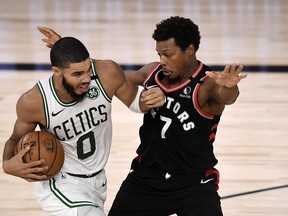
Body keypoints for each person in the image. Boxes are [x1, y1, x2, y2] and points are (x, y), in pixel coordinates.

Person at [36, 16, 247, 216]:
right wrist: (66, 51)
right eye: (159, 55)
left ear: (189, 50)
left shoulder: (207, 84)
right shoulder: (152, 73)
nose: (162, 60)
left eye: (168, 54)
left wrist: (230, 88)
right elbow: (112, 76)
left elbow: (226, 97)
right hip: (147, 178)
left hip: (194, 183)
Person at [2, 36, 165, 216]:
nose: (87, 78)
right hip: (61, 185)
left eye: (88, 70)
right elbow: (15, 139)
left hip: (98, 181)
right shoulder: (35, 101)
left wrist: (150, 97)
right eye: (77, 74)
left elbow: (135, 101)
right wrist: (7, 165)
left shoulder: (106, 73)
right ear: (56, 72)